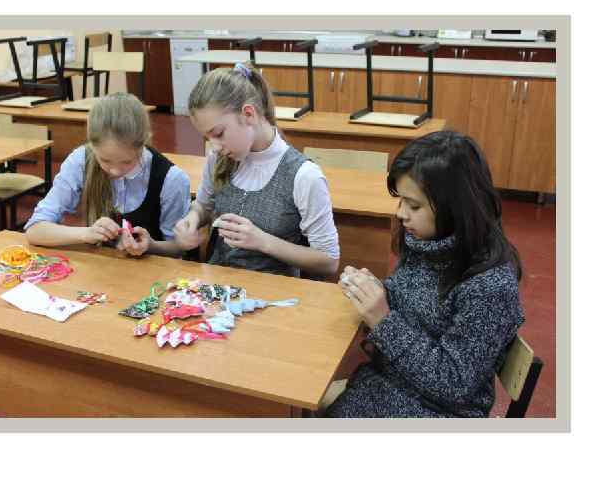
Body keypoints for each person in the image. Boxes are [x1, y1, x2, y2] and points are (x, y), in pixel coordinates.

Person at [325, 130, 525, 417]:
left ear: (454, 206)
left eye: (414, 205)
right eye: (401, 201)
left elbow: (453, 384)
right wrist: (375, 291)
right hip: (390, 386)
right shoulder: (428, 242)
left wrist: (382, 319)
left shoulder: (489, 287)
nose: (401, 213)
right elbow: (414, 307)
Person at [173, 62, 340, 278]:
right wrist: (193, 219)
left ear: (249, 114)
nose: (214, 146)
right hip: (218, 286)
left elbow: (329, 260)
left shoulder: (304, 176)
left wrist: (262, 241)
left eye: (219, 134)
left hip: (273, 291)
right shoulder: (219, 159)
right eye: (208, 137)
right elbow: (204, 205)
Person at [25, 93, 190, 257]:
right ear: (92, 146)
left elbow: (178, 248)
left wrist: (151, 246)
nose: (115, 171)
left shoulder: (171, 179)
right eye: (105, 160)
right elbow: (35, 230)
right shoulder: (81, 161)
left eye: (127, 162)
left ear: (143, 144)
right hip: (100, 267)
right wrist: (85, 233)